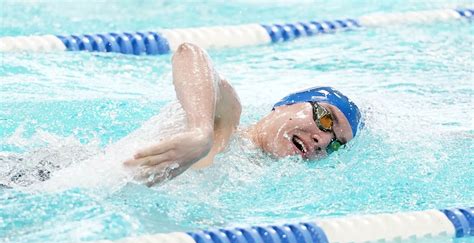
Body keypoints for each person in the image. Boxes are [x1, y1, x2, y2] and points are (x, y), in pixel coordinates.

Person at [124, 43, 361, 186]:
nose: (324, 140)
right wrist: (200, 131)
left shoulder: (258, 180)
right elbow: (189, 53)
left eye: (336, 145)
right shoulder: (225, 122)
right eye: (326, 119)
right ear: (287, 103)